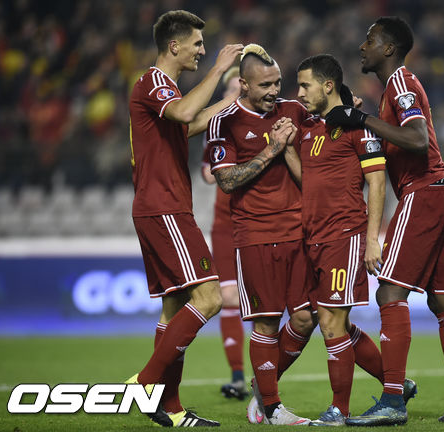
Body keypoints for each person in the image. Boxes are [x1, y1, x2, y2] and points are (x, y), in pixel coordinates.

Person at [326, 16, 444, 425]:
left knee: (390, 293)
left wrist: (361, 121)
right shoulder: (394, 90)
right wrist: (364, 119)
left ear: (388, 48)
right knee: (443, 301)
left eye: (370, 40)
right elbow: (398, 139)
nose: (362, 46)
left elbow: (418, 139)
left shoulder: (401, 83)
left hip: (425, 191)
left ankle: (392, 399)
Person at [283, 54, 417, 426]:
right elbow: (310, 183)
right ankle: (396, 384)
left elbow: (376, 183)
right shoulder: (310, 130)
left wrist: (373, 239)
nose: (300, 93)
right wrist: (286, 150)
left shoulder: (359, 127)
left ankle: (339, 410)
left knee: (331, 322)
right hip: (314, 239)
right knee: (332, 321)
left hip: (345, 235)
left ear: (328, 86)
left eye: (306, 85)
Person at [127, 9, 243, 427]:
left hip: (160, 206)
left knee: (173, 309)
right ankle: (145, 382)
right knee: (210, 298)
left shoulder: (165, 91)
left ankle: (171, 408)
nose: (202, 50)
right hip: (165, 208)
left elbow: (187, 126)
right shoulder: (155, 82)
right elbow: (182, 114)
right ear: (173, 45)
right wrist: (219, 70)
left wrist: (233, 102)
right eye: (197, 43)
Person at [204, 44, 316, 426]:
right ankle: (271, 406)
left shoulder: (295, 111)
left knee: (307, 318)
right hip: (255, 234)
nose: (274, 91)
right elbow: (227, 181)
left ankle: (260, 388)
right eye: (265, 85)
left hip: (299, 232)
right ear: (243, 84)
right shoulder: (224, 122)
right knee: (266, 322)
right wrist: (272, 150)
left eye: (277, 83)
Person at [201, 66, 249, 401]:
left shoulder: (263, 123)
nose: (234, 94)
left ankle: (267, 377)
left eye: (239, 89)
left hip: (256, 219)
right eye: (229, 89)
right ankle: (237, 376)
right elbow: (207, 175)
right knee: (228, 296)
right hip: (225, 222)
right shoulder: (217, 126)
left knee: (264, 300)